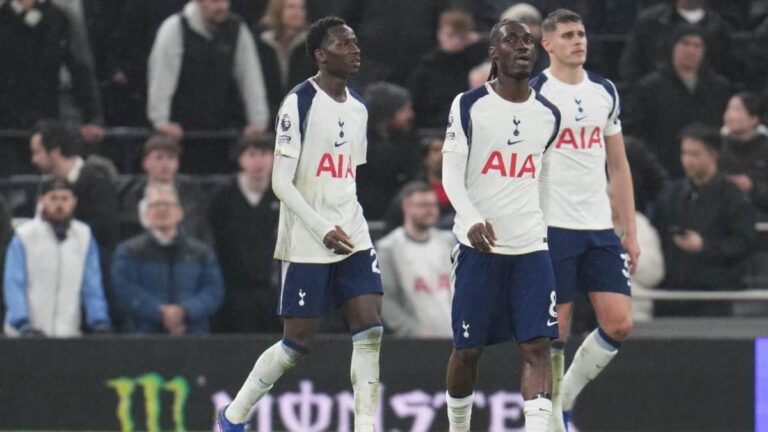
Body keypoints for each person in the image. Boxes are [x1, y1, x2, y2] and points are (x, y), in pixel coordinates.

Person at [218, 17, 383, 432]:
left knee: (370, 329)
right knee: (296, 343)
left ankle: (365, 425)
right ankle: (234, 416)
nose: (355, 50)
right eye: (344, 44)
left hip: (352, 231)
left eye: (356, 42)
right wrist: (321, 227)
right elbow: (280, 182)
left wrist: (346, 222)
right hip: (309, 237)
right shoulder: (299, 103)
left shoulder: (359, 108)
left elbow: (347, 175)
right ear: (321, 56)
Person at [442, 19, 561, 432]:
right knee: (468, 351)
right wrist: (471, 218)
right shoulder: (469, 104)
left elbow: (543, 176)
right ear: (494, 52)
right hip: (479, 250)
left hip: (531, 250)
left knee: (538, 346)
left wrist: (544, 231)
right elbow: (451, 174)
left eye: (528, 40)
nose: (523, 46)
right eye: (512, 40)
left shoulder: (548, 114)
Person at [533, 9, 639, 430]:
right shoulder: (535, 93)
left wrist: (629, 230)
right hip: (553, 226)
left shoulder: (604, 91)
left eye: (581, 33)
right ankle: (550, 420)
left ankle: (565, 401)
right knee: (554, 332)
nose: (578, 41)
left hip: (598, 227)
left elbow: (619, 163)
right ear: (547, 44)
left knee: (619, 322)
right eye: (567, 35)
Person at [652, 124, 757, 316]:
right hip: (674, 295)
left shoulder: (733, 197)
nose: (687, 160)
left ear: (713, 155)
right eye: (684, 153)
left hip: (716, 295)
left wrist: (704, 246)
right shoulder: (671, 194)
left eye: (695, 154)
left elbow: (743, 242)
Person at [3, 179, 111, 337]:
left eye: (65, 198)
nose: (59, 204)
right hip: (24, 334)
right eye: (53, 198)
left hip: (67, 334)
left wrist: (99, 320)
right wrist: (21, 322)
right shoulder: (25, 236)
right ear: (42, 200)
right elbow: (14, 282)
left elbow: (92, 284)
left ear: (74, 201)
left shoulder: (84, 235)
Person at [147, 0, 269, 140]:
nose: (223, 6)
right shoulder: (174, 28)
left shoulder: (238, 29)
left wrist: (258, 122)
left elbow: (251, 79)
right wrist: (161, 122)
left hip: (224, 131)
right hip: (179, 133)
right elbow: (161, 79)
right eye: (215, 1)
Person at [111, 184, 224, 334]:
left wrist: (185, 311)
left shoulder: (201, 252)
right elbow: (125, 290)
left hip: (194, 335)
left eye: (168, 204)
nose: (162, 209)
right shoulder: (128, 251)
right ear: (146, 214)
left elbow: (213, 291)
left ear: (180, 213)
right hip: (144, 337)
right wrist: (160, 313)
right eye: (155, 205)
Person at [623, 25, 731, 178]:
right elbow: (637, 132)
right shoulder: (649, 87)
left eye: (697, 45)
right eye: (685, 43)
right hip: (661, 170)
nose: (691, 50)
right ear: (672, 47)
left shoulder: (719, 87)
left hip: (709, 172)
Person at [0, 0, 104, 141]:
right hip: (5, 125)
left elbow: (80, 69)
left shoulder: (57, 17)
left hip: (46, 121)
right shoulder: (4, 18)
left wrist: (92, 118)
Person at [209, 135, 281, 333]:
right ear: (240, 159)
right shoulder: (223, 195)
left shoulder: (284, 193)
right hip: (233, 286)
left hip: (272, 287)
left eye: (264, 154)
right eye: (252, 154)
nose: (258, 161)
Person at [376, 182, 455, 338]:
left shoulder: (448, 242)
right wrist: (413, 332)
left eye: (433, 205)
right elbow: (386, 299)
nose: (430, 210)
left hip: (454, 335)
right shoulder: (389, 248)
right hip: (416, 341)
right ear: (406, 206)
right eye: (423, 205)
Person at [117, 133, 209, 242]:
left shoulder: (191, 191)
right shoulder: (129, 191)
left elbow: (198, 228)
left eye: (171, 158)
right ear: (145, 162)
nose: (165, 164)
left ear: (177, 163)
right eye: (159, 158)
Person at [408, 8, 488, 129]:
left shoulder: (474, 63)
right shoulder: (426, 69)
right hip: (436, 128)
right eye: (451, 35)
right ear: (440, 34)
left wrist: (480, 41)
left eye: (462, 36)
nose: (456, 41)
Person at [619, 0, 733, 83]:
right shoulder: (650, 22)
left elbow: (729, 68)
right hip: (656, 101)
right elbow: (630, 65)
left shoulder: (719, 26)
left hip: (707, 100)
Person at [357, 82, 418, 220]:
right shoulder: (358, 145)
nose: (410, 115)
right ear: (386, 114)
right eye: (404, 110)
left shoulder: (408, 142)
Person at [256, 0, 315, 121]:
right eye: (291, 7)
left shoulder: (312, 45)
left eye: (301, 8)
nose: (298, 13)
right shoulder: (261, 44)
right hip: (268, 117)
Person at [719, 92, 768, 217]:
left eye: (737, 110)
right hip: (724, 216)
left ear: (754, 118)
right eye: (728, 109)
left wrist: (752, 186)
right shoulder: (716, 145)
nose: (729, 115)